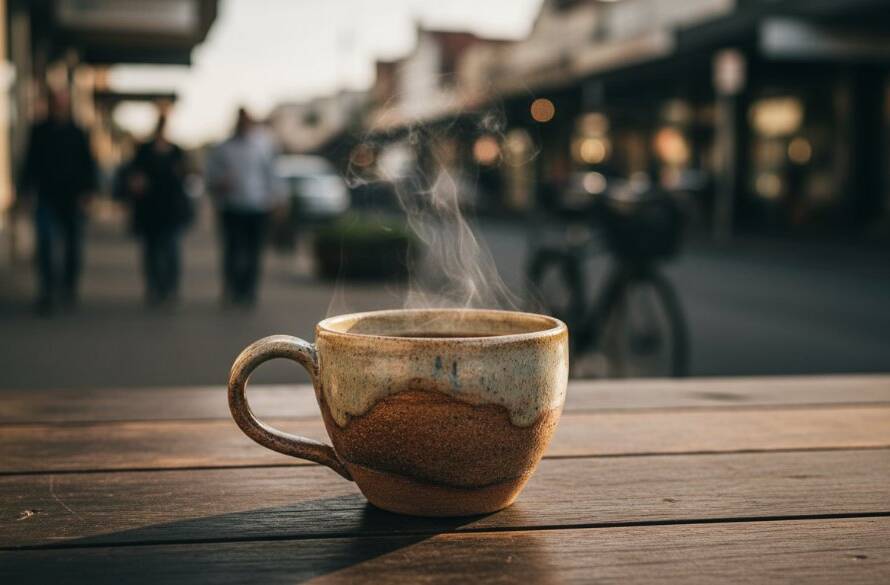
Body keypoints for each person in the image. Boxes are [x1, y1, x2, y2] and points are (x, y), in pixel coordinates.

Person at [20, 90, 98, 315]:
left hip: (72, 198)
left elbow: (87, 164)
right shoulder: (39, 131)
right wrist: (25, 191)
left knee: (73, 244)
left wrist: (88, 192)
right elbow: (30, 162)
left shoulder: (77, 132)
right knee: (45, 243)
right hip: (46, 196)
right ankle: (47, 289)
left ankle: (69, 285)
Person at [206, 108, 283, 308]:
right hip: (232, 207)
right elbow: (210, 176)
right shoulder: (223, 148)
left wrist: (276, 199)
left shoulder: (262, 146)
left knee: (254, 252)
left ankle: (248, 291)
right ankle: (231, 289)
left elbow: (272, 174)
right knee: (232, 251)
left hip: (257, 207)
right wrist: (218, 184)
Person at [127, 111, 192, 307]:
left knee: (171, 251)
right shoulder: (144, 151)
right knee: (152, 252)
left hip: (171, 210)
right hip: (150, 211)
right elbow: (132, 175)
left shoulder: (176, 151)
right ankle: (154, 287)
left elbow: (186, 176)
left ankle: (169, 288)